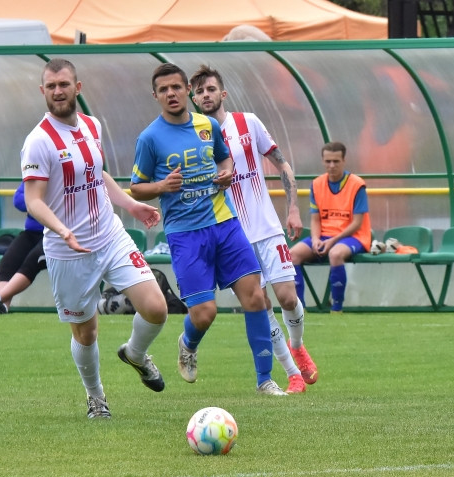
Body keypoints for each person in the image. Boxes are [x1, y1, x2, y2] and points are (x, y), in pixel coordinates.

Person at [21, 58, 168, 419]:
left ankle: (135, 353)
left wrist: (131, 206)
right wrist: (62, 230)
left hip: (110, 236)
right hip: (68, 251)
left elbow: (99, 175)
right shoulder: (39, 141)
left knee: (156, 307)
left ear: (77, 87)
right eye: (51, 86)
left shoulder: (91, 125)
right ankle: (96, 397)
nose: (58, 91)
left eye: (64, 85)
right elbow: (33, 200)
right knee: (86, 333)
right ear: (43, 91)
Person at [130, 62, 286, 397]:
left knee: (256, 297)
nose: (171, 94)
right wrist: (161, 186)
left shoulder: (208, 124)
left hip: (225, 223)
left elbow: (224, 158)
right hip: (185, 234)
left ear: (187, 89)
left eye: (176, 87)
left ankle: (265, 380)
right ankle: (187, 342)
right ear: (155, 95)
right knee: (204, 313)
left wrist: (227, 171)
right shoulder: (150, 138)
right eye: (163, 90)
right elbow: (136, 188)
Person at [189, 64, 318, 394]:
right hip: (233, 238)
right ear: (193, 96)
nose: (206, 95)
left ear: (222, 93)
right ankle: (290, 374)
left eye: (210, 89)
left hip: (267, 228)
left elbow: (281, 162)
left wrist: (292, 208)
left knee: (288, 297)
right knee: (259, 303)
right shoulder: (194, 137)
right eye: (199, 91)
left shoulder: (248, 123)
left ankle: (298, 345)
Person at [288, 142, 371, 313]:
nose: (331, 165)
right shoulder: (317, 184)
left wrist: (332, 241)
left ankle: (337, 308)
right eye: (328, 161)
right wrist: (317, 239)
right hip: (325, 236)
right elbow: (315, 219)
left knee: (335, 254)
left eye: (336, 161)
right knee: (292, 255)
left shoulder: (357, 184)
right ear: (323, 161)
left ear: (344, 161)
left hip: (354, 237)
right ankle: (299, 310)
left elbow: (357, 223)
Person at [0, 182, 46, 314]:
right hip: (31, 233)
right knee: (8, 262)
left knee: (33, 261)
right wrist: (35, 202)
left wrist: (35, 202)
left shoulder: (62, 173)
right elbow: (18, 200)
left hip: (56, 234)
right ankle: (2, 307)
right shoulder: (34, 174)